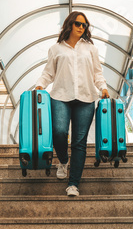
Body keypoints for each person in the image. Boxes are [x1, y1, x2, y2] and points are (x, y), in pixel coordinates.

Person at [35, 11, 110, 196]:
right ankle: (63, 160)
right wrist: (40, 85)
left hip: (86, 98)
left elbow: (97, 73)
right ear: (69, 24)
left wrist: (103, 87)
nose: (81, 27)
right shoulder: (56, 49)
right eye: (78, 23)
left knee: (79, 142)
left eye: (84, 25)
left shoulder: (91, 49)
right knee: (59, 132)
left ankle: (73, 184)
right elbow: (48, 73)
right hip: (60, 95)